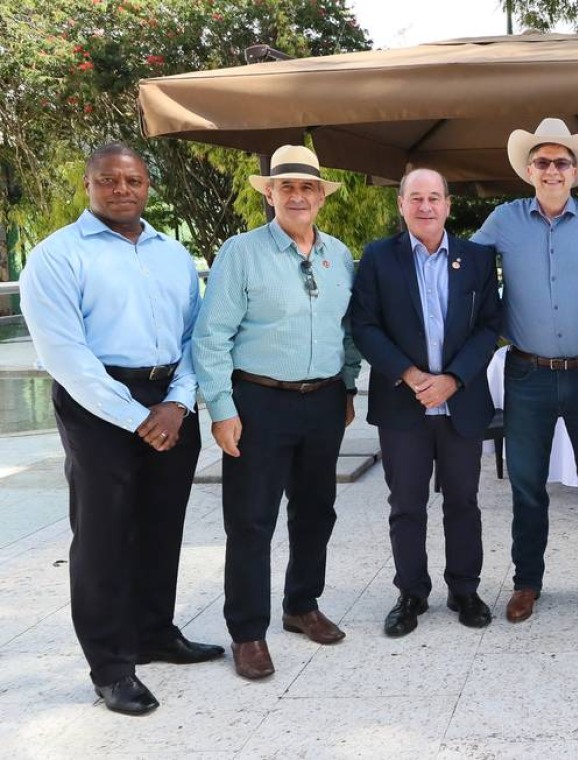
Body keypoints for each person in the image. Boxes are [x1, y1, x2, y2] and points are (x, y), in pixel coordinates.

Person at [20, 143, 222, 715]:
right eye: (108, 181)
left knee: (163, 523)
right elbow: (66, 356)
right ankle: (110, 665)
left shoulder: (172, 254)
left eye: (132, 180)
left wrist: (178, 402)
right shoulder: (57, 256)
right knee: (104, 537)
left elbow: (195, 337)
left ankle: (155, 633)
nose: (121, 190)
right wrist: (139, 417)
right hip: (98, 404)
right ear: (88, 185)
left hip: (170, 399)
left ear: (147, 185)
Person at [193, 145, 361, 680]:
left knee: (316, 511)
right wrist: (221, 407)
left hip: (324, 400)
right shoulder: (239, 253)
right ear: (269, 194)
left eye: (306, 187)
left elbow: (350, 331)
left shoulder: (339, 255)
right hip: (258, 401)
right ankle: (247, 632)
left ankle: (301, 606)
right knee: (251, 521)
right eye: (285, 186)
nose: (297, 195)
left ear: (320, 197)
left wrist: (349, 388)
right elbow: (211, 336)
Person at [471, 118, 578, 623]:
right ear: (528, 169)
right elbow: (462, 273)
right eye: (542, 161)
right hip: (528, 374)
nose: (551, 170)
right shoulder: (503, 220)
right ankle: (527, 582)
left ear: (575, 172)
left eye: (561, 162)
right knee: (526, 485)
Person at [350, 168, 501, 636]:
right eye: (416, 198)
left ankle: (464, 590)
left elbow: (489, 326)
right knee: (407, 504)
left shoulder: (477, 258)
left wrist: (454, 378)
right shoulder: (378, 258)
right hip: (403, 404)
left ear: (448, 205)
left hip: (461, 403)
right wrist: (411, 375)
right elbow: (365, 326)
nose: (426, 206)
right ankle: (411, 593)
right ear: (401, 205)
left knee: (464, 501)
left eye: (434, 197)